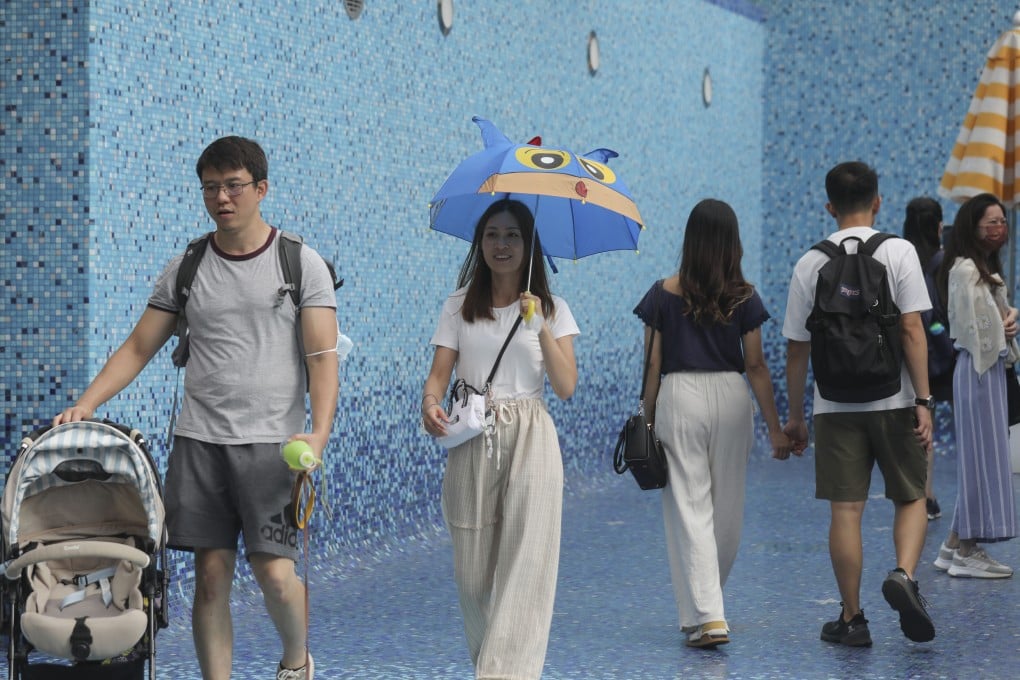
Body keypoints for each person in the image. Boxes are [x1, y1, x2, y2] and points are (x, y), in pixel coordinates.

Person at [54, 136, 339, 680]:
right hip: (201, 444)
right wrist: (86, 404)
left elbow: (323, 358)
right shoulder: (187, 265)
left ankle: (297, 660)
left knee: (276, 577)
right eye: (211, 188)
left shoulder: (300, 264)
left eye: (233, 186)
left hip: (274, 447)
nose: (222, 198)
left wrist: (319, 434)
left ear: (261, 189)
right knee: (210, 577)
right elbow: (140, 346)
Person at [420, 199, 579, 679]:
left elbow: (567, 386)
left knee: (526, 561)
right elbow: (437, 378)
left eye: (512, 235)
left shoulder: (553, 309)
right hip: (474, 434)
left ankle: (504, 673)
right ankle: (494, 663)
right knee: (472, 576)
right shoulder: (458, 305)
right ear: (480, 243)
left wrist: (542, 327)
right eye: (492, 234)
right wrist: (430, 405)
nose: (502, 244)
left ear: (529, 245)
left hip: (532, 434)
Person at [783, 161, 935, 646]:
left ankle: (852, 619)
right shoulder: (899, 251)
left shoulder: (810, 262)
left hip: (834, 405)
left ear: (829, 206)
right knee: (910, 496)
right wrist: (925, 400)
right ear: (878, 200)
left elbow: (796, 348)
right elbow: (913, 330)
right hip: (895, 399)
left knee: (845, 512)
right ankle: (904, 576)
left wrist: (794, 416)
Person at [633, 198, 793, 649]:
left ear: (691, 239)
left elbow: (653, 366)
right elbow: (757, 366)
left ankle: (708, 614)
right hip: (731, 395)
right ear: (732, 242)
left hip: (679, 396)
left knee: (690, 507)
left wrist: (646, 418)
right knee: (727, 508)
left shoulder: (661, 294)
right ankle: (707, 610)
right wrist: (775, 428)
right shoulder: (744, 294)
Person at [931, 192, 1018, 578]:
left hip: (989, 369)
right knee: (980, 460)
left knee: (984, 457)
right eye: (992, 223)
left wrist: (1009, 315)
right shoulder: (965, 270)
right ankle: (967, 548)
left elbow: (993, 318)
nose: (1000, 229)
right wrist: (1004, 324)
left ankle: (954, 544)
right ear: (974, 227)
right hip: (979, 368)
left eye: (1002, 222)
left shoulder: (980, 268)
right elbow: (970, 327)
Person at [902, 196, 953, 520]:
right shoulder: (945, 262)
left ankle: (920, 493)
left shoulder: (899, 259)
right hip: (942, 355)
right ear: (938, 226)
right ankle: (927, 495)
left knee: (917, 421)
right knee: (929, 420)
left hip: (908, 352)